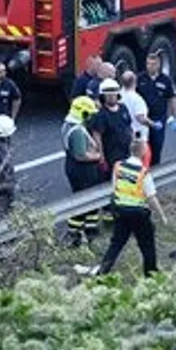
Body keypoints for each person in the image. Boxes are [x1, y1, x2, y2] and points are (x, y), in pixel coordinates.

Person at [96, 138, 168, 277]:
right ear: (143, 152)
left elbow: (114, 187)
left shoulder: (118, 166)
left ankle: (102, 272)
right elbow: (151, 197)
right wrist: (162, 216)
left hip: (120, 210)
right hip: (138, 213)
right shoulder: (143, 173)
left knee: (116, 243)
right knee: (147, 245)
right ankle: (151, 274)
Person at [62, 95, 104, 242]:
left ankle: (88, 228)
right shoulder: (77, 131)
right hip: (82, 169)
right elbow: (81, 155)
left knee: (85, 198)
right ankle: (76, 232)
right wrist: (98, 157)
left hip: (73, 167)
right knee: (85, 199)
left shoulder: (68, 124)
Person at [136, 51, 176, 166]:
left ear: (158, 65)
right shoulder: (140, 79)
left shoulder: (165, 80)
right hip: (143, 119)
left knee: (157, 145)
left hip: (158, 118)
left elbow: (172, 97)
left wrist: (175, 117)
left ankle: (156, 168)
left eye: (153, 64)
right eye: (148, 64)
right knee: (142, 147)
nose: (150, 66)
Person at [88, 78, 133, 182]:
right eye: (108, 94)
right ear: (103, 96)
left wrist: (133, 146)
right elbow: (97, 136)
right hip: (111, 155)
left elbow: (129, 128)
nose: (112, 97)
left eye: (113, 94)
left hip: (126, 153)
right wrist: (102, 157)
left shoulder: (123, 108)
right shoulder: (100, 115)